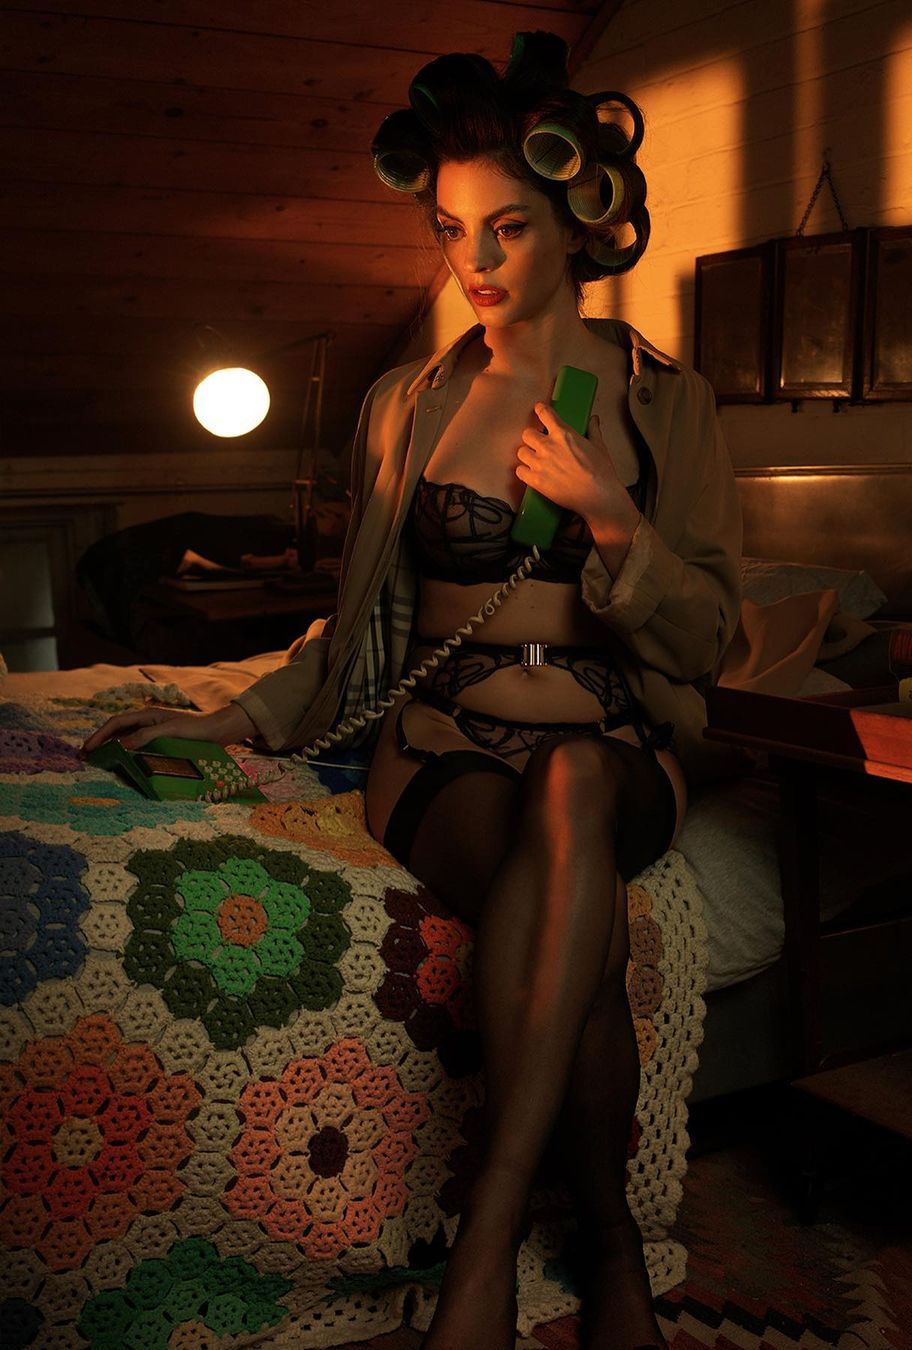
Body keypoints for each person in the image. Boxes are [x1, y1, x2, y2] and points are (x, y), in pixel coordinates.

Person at [83, 31, 741, 1350]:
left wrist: (613, 519)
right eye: (452, 229)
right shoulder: (406, 403)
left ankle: (483, 1242)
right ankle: (609, 1250)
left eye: (509, 226)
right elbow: (357, 625)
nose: (475, 260)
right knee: (578, 927)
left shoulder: (664, 401)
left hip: (613, 747)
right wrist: (232, 717)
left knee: (574, 793)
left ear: (577, 221)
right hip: (444, 749)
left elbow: (717, 633)